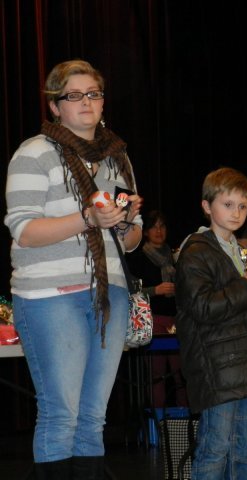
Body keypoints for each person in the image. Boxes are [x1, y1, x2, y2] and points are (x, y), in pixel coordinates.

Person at [4, 59, 143, 478]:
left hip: (109, 293)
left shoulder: (118, 158)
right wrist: (88, 218)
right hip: (50, 296)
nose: (87, 102)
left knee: (93, 417)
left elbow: (130, 240)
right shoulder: (34, 153)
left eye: (94, 94)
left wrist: (124, 223)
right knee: (61, 412)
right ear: (55, 106)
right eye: (75, 95)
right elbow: (24, 230)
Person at [174, 167, 247, 479]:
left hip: (245, 364)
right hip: (218, 367)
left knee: (242, 449)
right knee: (215, 448)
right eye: (228, 204)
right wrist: (245, 285)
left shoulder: (241, 252)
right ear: (207, 206)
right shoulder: (196, 251)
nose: (236, 213)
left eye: (243, 206)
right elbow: (202, 307)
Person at [126, 210, 187, 408]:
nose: (159, 231)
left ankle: (183, 421)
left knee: (182, 374)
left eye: (162, 226)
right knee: (157, 375)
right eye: (154, 227)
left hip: (177, 319)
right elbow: (131, 291)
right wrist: (156, 290)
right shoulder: (138, 258)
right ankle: (157, 423)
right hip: (152, 320)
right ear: (145, 231)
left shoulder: (176, 256)